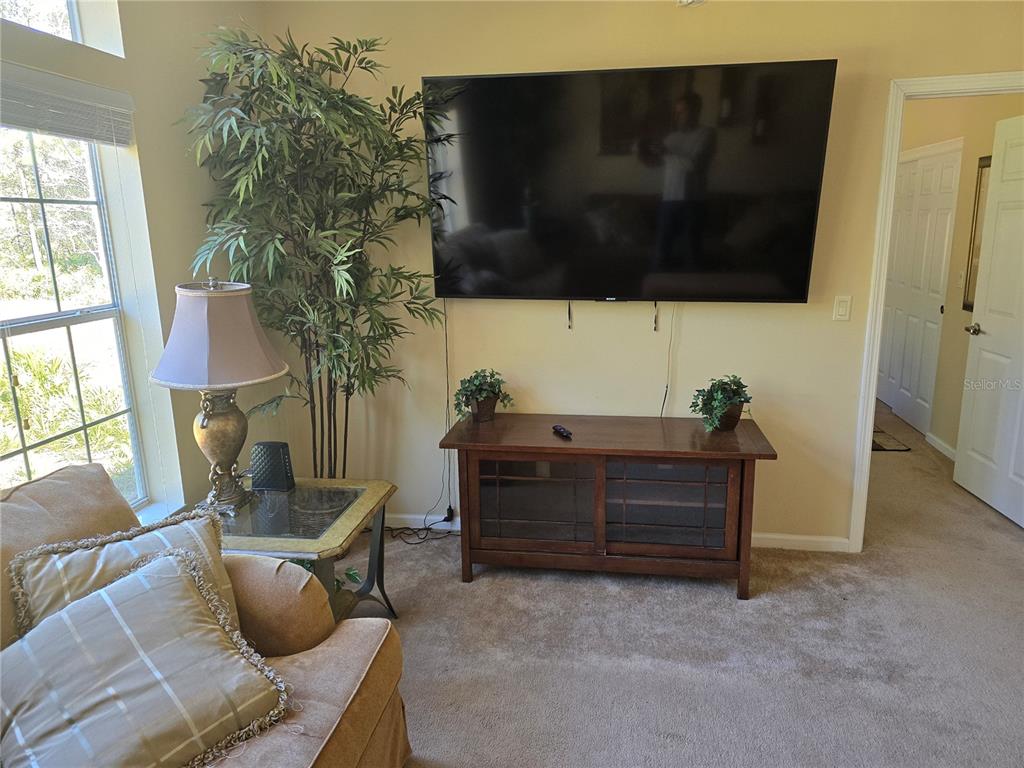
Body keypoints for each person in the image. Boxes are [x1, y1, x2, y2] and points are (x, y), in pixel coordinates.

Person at [654, 92, 715, 270]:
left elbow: (694, 165)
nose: (677, 116)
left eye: (682, 112)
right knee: (661, 255)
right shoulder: (671, 138)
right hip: (668, 202)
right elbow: (659, 164)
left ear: (697, 110)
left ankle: (692, 295)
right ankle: (655, 294)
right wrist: (646, 151)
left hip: (693, 203)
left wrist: (665, 153)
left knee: (692, 256)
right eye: (676, 112)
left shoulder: (707, 134)